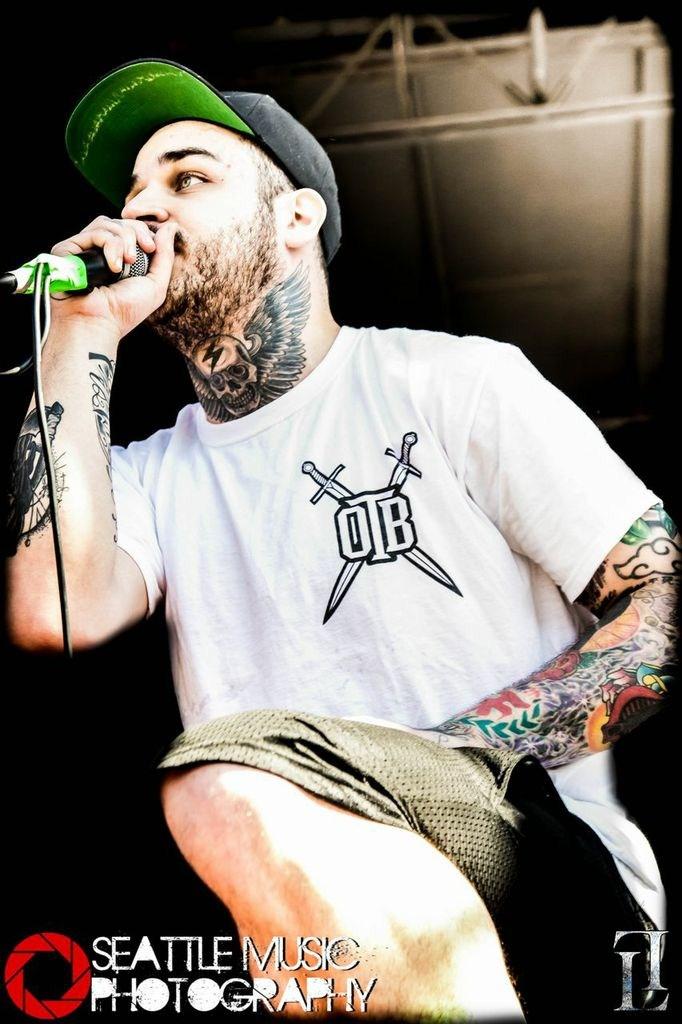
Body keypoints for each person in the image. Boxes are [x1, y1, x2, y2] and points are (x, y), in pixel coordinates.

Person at [5, 58, 677, 1021]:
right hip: (328, 927)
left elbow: (661, 598)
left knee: (222, 776)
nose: (143, 210)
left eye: (187, 177)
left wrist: (468, 755)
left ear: (296, 218)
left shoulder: (451, 382)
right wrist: (77, 332)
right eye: (134, 192)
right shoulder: (149, 476)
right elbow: (53, 613)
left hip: (537, 860)